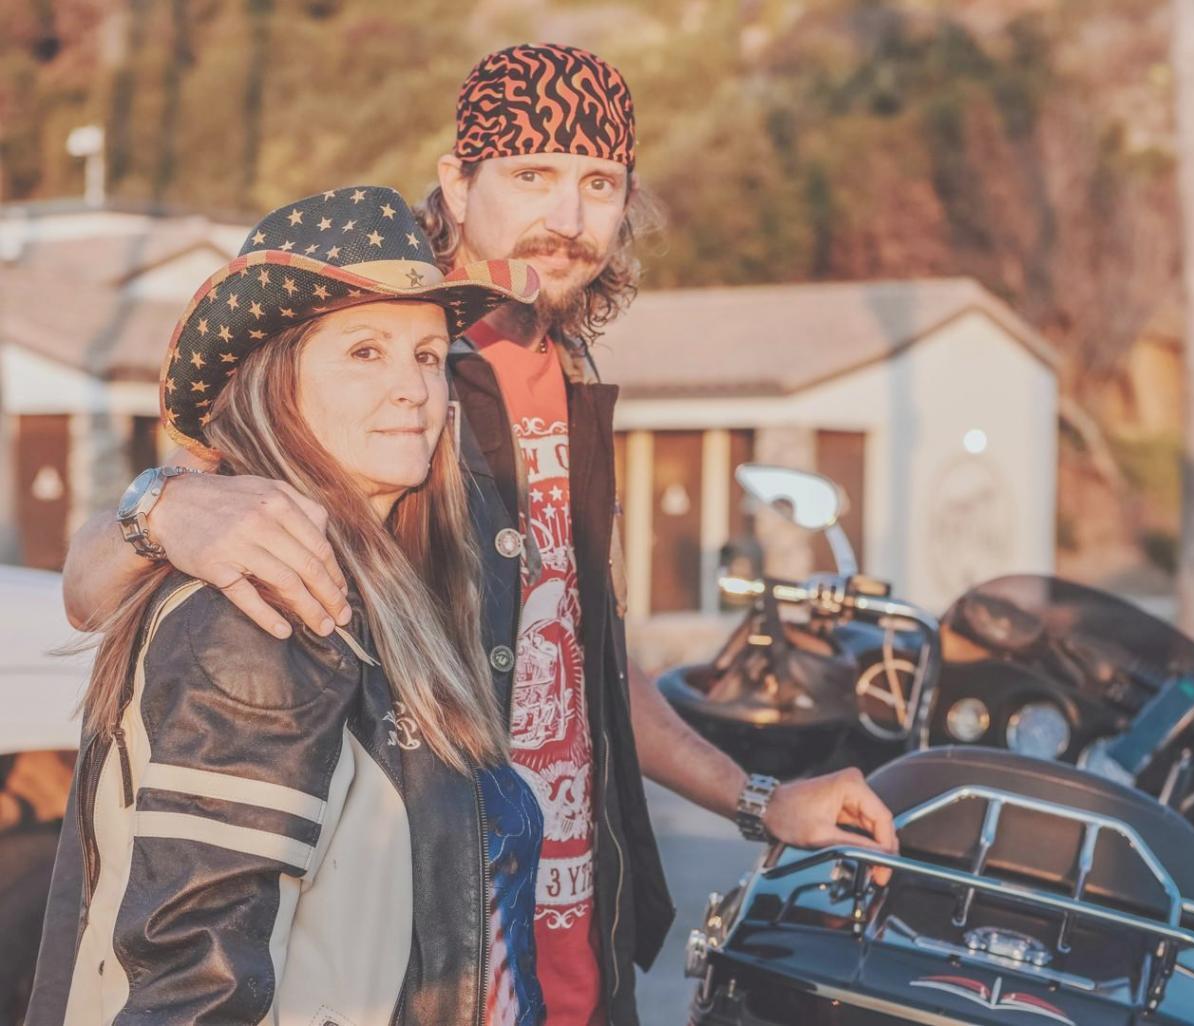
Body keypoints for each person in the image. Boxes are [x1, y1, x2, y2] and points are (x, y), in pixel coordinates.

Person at [59, 45, 898, 1026]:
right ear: (456, 184)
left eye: (599, 184)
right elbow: (88, 588)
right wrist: (163, 506)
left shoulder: (569, 377)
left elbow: (587, 656)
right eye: (531, 176)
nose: (568, 217)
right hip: (424, 951)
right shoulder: (377, 356)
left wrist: (759, 799)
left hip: (576, 929)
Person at [30, 189, 545, 1025]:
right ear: (280, 383)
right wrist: (158, 505)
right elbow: (192, 990)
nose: (414, 388)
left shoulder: (399, 590)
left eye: (427, 355)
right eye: (366, 351)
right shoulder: (262, 617)